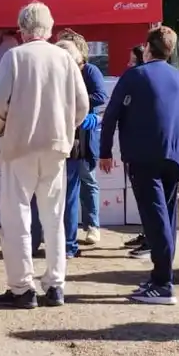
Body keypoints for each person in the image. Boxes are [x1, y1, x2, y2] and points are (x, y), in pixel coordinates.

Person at [99, 25, 179, 304]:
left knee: (155, 217)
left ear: (148, 48)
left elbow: (111, 115)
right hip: (175, 154)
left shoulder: (134, 76)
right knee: (167, 215)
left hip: (142, 155)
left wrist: (104, 152)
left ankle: (163, 282)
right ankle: (163, 275)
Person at [0, 1, 89, 309]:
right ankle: (55, 285)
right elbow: (82, 105)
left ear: (21, 28)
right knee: (54, 217)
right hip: (57, 146)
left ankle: (22, 288)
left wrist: (3, 131)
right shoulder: (64, 58)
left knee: (17, 217)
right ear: (49, 28)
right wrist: (65, 128)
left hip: (20, 147)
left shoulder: (14, 57)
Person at [60, 29, 109, 247]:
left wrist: (77, 100)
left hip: (85, 137)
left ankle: (92, 226)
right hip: (63, 135)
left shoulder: (90, 71)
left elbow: (101, 96)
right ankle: (65, 232)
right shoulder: (59, 72)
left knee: (87, 180)